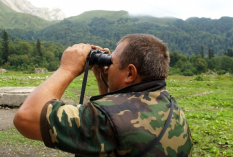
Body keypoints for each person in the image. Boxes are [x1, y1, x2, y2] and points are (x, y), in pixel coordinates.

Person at [14, 34, 193, 156]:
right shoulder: (169, 103)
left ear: (130, 73)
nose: (107, 66)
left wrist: (67, 68)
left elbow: (27, 118)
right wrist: (102, 79)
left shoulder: (104, 120)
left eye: (112, 62)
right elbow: (121, 113)